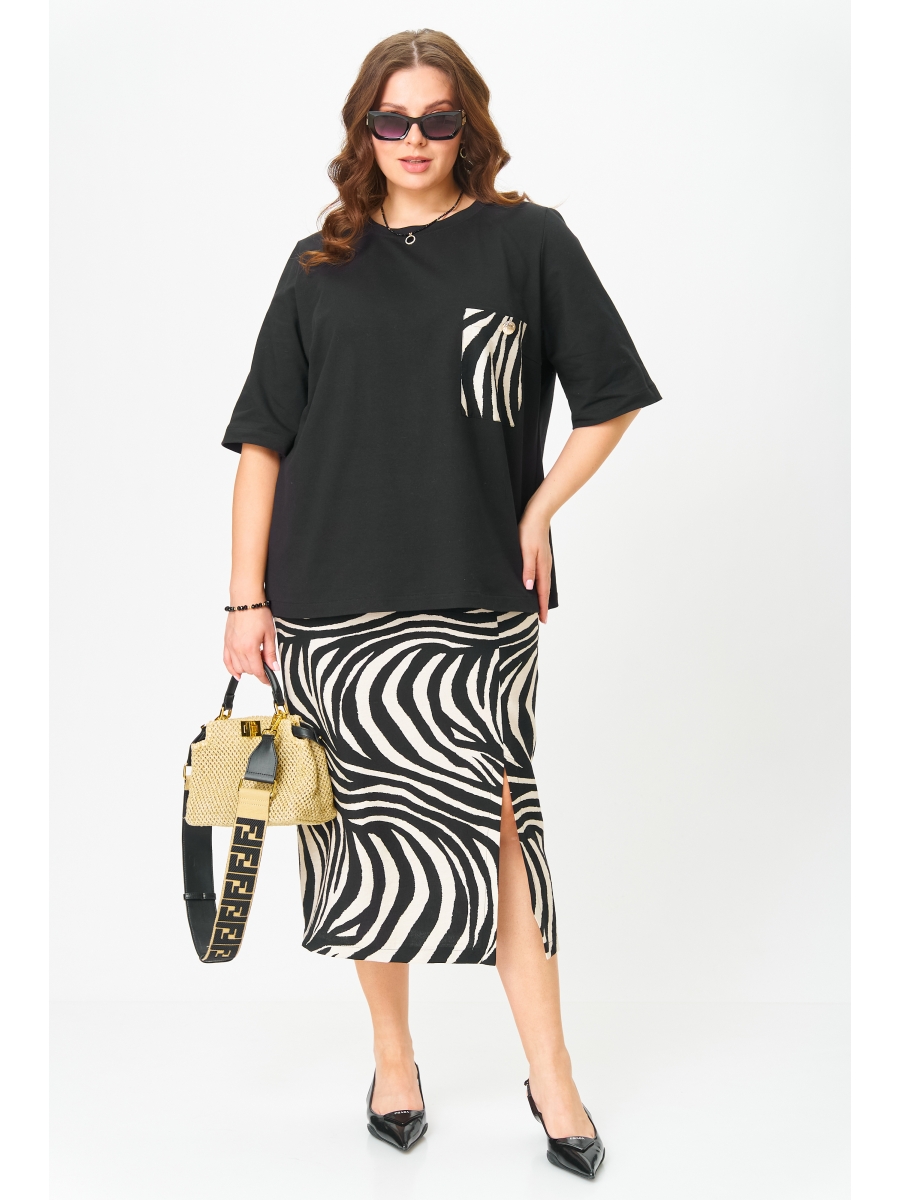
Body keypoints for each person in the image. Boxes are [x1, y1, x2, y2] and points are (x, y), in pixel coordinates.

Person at [221, 28, 660, 1179]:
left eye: (437, 118)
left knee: (506, 835)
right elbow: (264, 443)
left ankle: (553, 1080)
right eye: (392, 119)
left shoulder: (527, 242)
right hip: (330, 602)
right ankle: (394, 1060)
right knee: (365, 840)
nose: (413, 139)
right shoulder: (319, 263)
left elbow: (609, 397)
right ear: (363, 129)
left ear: (469, 125)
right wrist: (243, 600)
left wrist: (539, 508)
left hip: (476, 595)